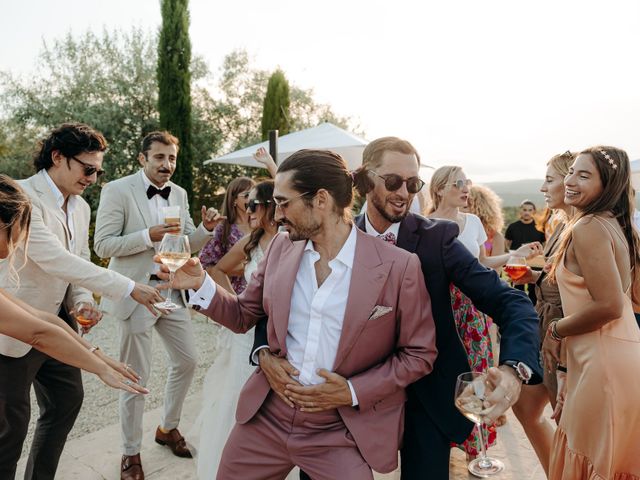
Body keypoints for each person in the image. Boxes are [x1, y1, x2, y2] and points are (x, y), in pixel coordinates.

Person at [255, 137, 543, 479]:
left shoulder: (437, 240)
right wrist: (263, 351)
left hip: (424, 399)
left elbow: (509, 301)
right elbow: (273, 300)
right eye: (393, 182)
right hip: (339, 397)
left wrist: (514, 370)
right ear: (364, 180)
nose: (404, 192)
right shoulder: (317, 232)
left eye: (413, 183)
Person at [158, 149, 437, 480]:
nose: (276, 215)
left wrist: (351, 391)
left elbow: (419, 354)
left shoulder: (398, 266)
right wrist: (201, 284)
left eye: (284, 202)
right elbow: (243, 314)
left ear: (320, 200)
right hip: (267, 419)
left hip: (339, 432)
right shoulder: (280, 248)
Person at [0, 123, 163, 480]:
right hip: (13, 327)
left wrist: (83, 300)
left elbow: (80, 257)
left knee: (66, 403)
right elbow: (56, 259)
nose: (93, 177)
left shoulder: (82, 208)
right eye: (88, 168)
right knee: (10, 428)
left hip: (58, 320)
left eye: (98, 170)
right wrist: (128, 286)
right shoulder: (21, 197)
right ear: (58, 157)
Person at [93, 131, 221, 480]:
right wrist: (146, 235)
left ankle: (167, 428)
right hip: (134, 295)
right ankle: (130, 453)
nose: (167, 165)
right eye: (160, 157)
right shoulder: (117, 190)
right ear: (142, 159)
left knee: (188, 360)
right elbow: (103, 245)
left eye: (172, 159)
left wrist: (206, 230)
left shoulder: (178, 193)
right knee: (136, 377)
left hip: (168, 292)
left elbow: (185, 244)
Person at [542, 146, 640, 478]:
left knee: (589, 459)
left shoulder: (588, 228)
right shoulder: (614, 223)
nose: (571, 181)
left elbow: (610, 305)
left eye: (584, 175)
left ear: (607, 185)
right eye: (571, 172)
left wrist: (555, 329)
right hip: (618, 356)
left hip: (604, 365)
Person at [0, 174, 148, 393]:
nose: (20, 239)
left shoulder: (82, 208)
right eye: (19, 227)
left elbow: (43, 319)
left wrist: (100, 357)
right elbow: (38, 333)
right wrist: (101, 369)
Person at [194, 180, 281, 479]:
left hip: (281, 340)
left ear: (272, 206)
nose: (248, 210)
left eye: (254, 204)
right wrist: (236, 303)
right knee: (240, 401)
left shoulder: (293, 239)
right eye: (246, 204)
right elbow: (216, 268)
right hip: (247, 335)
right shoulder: (251, 241)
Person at [511, 151, 574, 476]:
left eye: (549, 180)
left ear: (571, 180)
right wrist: (533, 277)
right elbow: (562, 277)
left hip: (565, 335)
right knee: (524, 406)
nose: (542, 188)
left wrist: (558, 337)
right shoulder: (561, 224)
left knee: (567, 425)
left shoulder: (583, 228)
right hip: (545, 323)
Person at [199, 176, 255, 293]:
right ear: (234, 200)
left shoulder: (262, 225)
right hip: (232, 294)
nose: (252, 199)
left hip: (260, 295)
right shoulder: (223, 229)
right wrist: (239, 268)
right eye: (246, 195)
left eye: (255, 195)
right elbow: (205, 268)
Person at [505, 199, 546, 303]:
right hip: (517, 263)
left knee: (534, 291)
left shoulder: (540, 227)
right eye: (524, 210)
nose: (527, 212)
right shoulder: (512, 227)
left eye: (530, 210)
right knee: (517, 289)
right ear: (520, 211)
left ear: (534, 212)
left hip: (536, 263)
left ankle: (534, 312)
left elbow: (544, 244)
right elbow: (507, 243)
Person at [463, 184, 506, 257]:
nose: (459, 209)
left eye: (466, 207)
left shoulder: (495, 237)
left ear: (481, 209)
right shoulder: (454, 231)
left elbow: (496, 267)